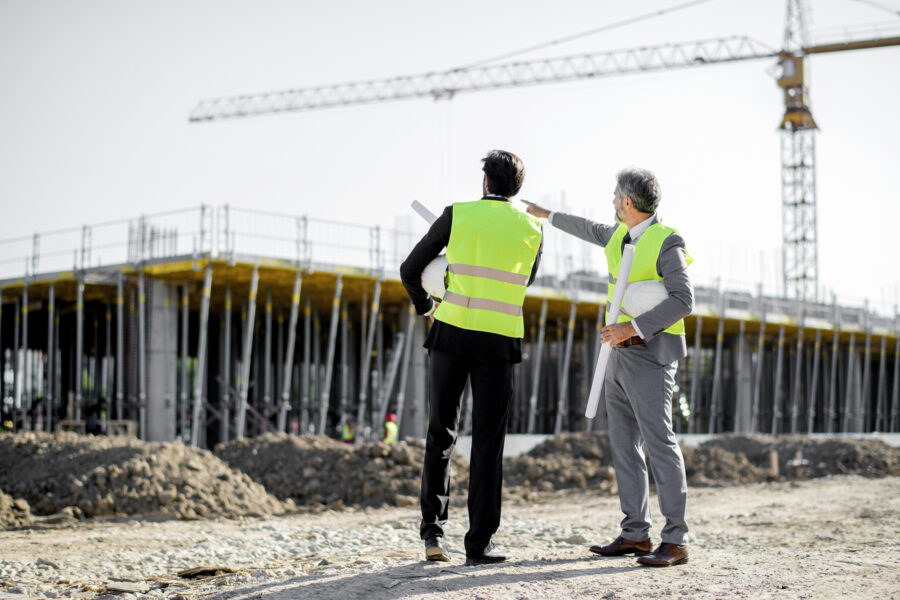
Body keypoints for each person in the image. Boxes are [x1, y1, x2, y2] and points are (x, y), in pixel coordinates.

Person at [524, 168, 694, 567]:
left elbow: (683, 300)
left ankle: (677, 539)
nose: (612, 200)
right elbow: (588, 227)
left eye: (615, 195)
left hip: (651, 354)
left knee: (659, 443)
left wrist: (631, 327)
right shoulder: (619, 235)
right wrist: (547, 215)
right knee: (624, 444)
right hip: (618, 353)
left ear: (628, 203)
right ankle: (636, 533)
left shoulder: (667, 241)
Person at [400, 149, 543, 565]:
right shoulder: (532, 228)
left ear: (485, 183)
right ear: (518, 189)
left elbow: (410, 269)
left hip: (451, 335)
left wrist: (428, 308)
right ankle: (479, 543)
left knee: (441, 434)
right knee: (488, 443)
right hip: (498, 343)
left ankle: (433, 535)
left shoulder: (457, 214)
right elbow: (526, 279)